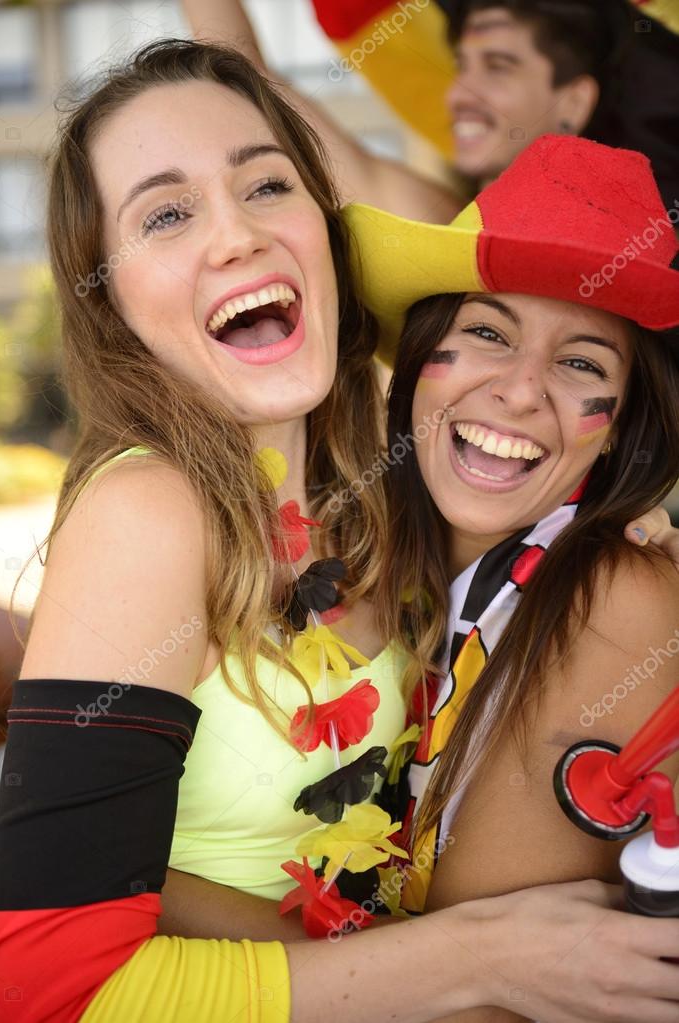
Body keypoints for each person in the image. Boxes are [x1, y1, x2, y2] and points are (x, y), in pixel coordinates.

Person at [0, 39, 679, 1023]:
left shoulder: (378, 494)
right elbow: (46, 991)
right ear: (108, 295)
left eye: (265, 185)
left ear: (321, 227)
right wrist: (478, 957)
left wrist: (618, 517)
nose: (235, 236)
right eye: (166, 214)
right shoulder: (149, 510)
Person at [345, 133, 679, 1017]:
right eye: (488, 332)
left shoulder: (616, 596)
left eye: (580, 363)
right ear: (419, 361)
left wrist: (143, 911)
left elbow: (483, 995)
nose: (522, 390)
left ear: (619, 424)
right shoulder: (362, 557)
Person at [182, 0, 677, 223]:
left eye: (498, 66)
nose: (459, 93)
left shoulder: (652, 247)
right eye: (461, 66)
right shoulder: (448, 230)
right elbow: (246, 77)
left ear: (573, 102)